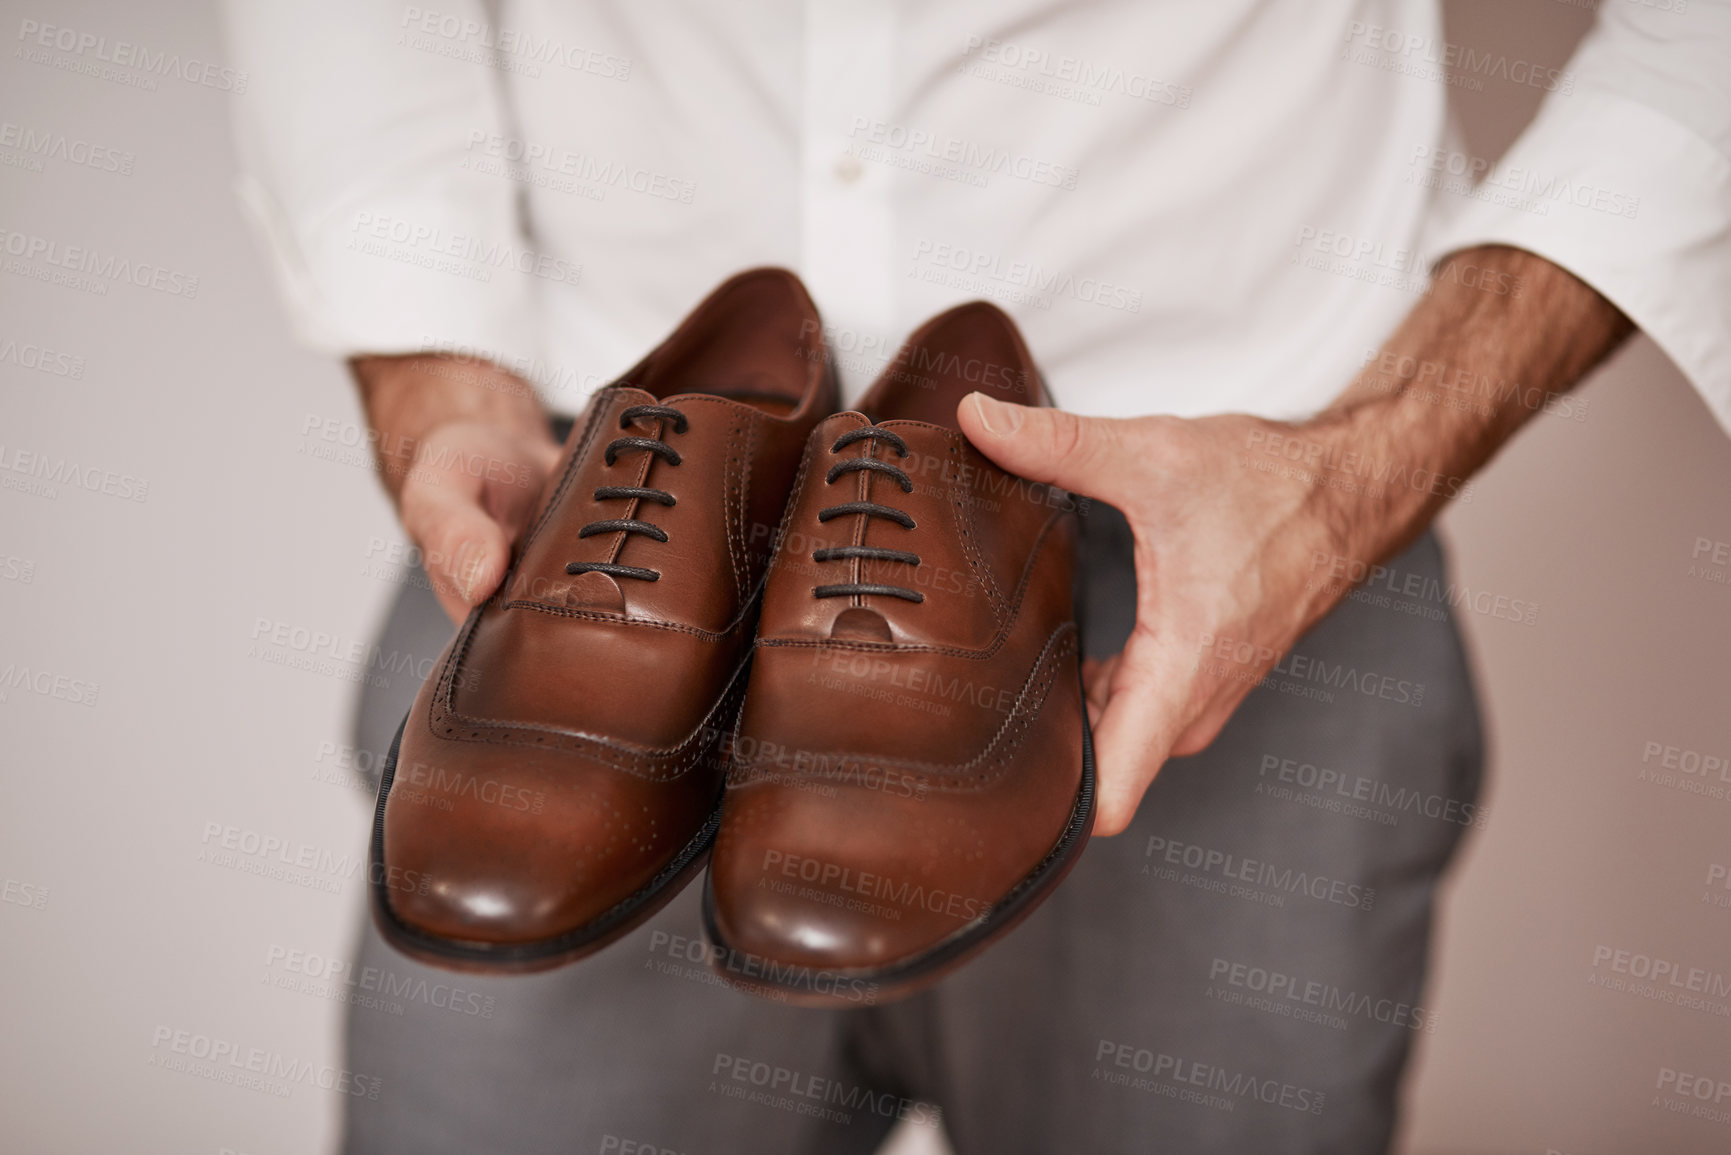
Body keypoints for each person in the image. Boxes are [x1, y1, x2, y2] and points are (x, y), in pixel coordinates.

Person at [223, 1, 1730, 1151]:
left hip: (1252, 551)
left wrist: (1357, 475)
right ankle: (690, 450)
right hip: (586, 514)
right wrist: (434, 382)